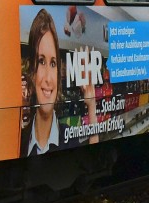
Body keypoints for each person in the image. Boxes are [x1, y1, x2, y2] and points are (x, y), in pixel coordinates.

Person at [21, 8, 98, 156]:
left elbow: (92, 161)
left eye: (53, 63)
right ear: (32, 71)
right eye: (41, 61)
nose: (48, 79)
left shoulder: (69, 139)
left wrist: (92, 106)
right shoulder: (20, 141)